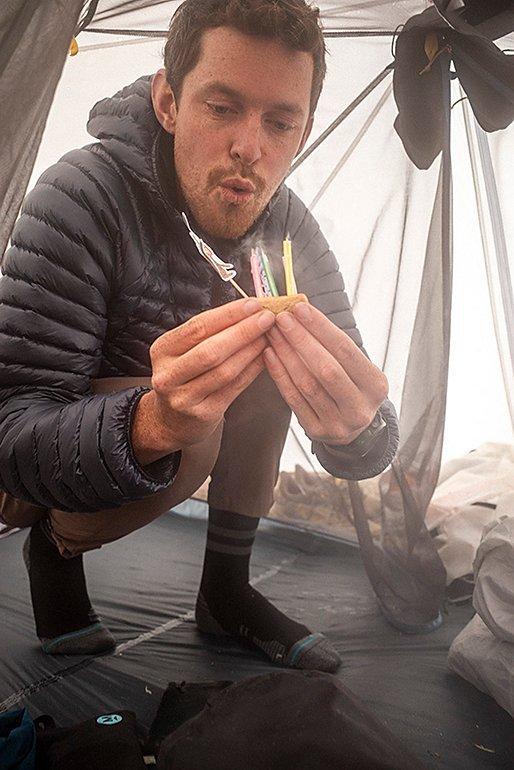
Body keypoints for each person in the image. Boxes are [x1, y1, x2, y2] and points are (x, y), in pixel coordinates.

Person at [0, 0, 399, 671]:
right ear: (168, 101)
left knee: (279, 353)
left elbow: (362, 410)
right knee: (196, 429)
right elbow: (10, 429)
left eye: (280, 121)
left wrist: (359, 432)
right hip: (40, 467)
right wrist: (153, 422)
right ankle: (56, 551)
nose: (251, 147)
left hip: (145, 440)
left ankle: (226, 591)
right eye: (222, 107)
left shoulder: (288, 229)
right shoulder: (80, 195)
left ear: (302, 131)